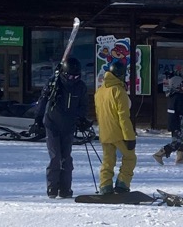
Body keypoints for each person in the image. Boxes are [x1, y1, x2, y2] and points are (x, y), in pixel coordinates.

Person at [32, 54, 89, 198]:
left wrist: (81, 119)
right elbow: (43, 100)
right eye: (70, 77)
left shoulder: (80, 87)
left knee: (66, 158)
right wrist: (38, 119)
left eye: (76, 77)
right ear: (64, 73)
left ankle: (65, 189)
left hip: (68, 126)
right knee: (55, 157)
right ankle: (52, 187)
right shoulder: (55, 83)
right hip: (52, 124)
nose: (73, 80)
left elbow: (83, 105)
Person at [94, 59, 137, 194]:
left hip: (105, 132)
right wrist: (130, 137)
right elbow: (123, 116)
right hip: (118, 132)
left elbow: (98, 112)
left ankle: (105, 186)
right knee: (130, 157)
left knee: (108, 160)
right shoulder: (118, 91)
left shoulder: (100, 91)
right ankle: (122, 184)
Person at [154, 70, 183, 165]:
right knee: (177, 142)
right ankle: (159, 154)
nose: (182, 86)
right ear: (176, 85)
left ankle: (180, 158)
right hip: (179, 123)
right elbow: (182, 110)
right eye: (181, 84)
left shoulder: (171, 96)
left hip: (175, 122)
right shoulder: (178, 96)